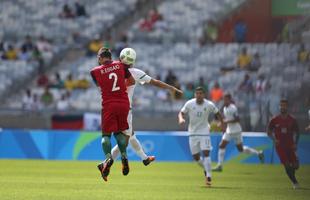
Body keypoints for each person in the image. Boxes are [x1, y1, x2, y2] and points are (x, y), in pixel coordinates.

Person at [111, 48, 183, 165]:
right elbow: (155, 82)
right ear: (133, 62)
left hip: (111, 108)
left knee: (131, 135)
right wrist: (172, 88)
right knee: (126, 139)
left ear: (120, 58)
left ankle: (144, 158)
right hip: (125, 110)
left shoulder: (111, 71)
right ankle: (106, 163)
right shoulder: (135, 73)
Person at [90, 47, 132, 182]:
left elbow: (101, 85)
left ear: (101, 58)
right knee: (119, 133)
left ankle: (108, 158)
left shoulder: (95, 71)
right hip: (124, 103)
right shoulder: (121, 65)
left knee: (106, 135)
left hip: (109, 105)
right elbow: (132, 81)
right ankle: (124, 156)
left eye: (98, 58)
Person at [178, 87, 224, 187]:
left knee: (206, 153)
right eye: (197, 93)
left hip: (204, 132)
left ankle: (208, 176)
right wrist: (181, 119)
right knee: (196, 157)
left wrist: (222, 123)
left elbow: (218, 113)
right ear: (194, 95)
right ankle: (206, 169)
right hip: (193, 133)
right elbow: (181, 113)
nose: (199, 95)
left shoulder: (209, 104)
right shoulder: (190, 103)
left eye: (200, 93)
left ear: (204, 95)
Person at [213, 93, 264, 172]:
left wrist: (225, 121)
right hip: (229, 131)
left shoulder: (233, 108)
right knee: (221, 145)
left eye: (226, 99)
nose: (225, 101)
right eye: (224, 99)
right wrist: (224, 126)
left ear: (230, 100)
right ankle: (219, 165)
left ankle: (258, 153)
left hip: (236, 131)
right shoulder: (224, 108)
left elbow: (237, 119)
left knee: (240, 149)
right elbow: (226, 119)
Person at [267, 99, 300, 189]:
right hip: (280, 146)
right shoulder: (274, 119)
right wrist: (274, 139)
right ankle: (295, 182)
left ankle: (293, 177)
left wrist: (295, 144)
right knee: (286, 165)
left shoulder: (292, 120)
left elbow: (297, 132)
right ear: (279, 107)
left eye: (284, 105)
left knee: (295, 166)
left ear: (287, 107)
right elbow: (268, 132)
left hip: (290, 145)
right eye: (281, 105)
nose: (282, 107)